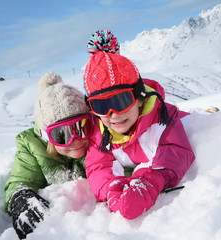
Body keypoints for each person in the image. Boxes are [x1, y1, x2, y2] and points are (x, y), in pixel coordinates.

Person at [83, 30, 195, 220]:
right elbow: (97, 167)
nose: (113, 114)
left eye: (121, 101)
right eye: (101, 106)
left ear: (139, 97)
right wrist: (112, 188)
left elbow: (175, 152)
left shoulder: (162, 118)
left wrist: (150, 182)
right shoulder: (101, 134)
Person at [4, 71, 93, 239]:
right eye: (61, 135)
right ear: (46, 137)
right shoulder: (32, 145)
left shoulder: (98, 139)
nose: (74, 140)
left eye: (81, 127)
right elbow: (21, 180)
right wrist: (21, 199)